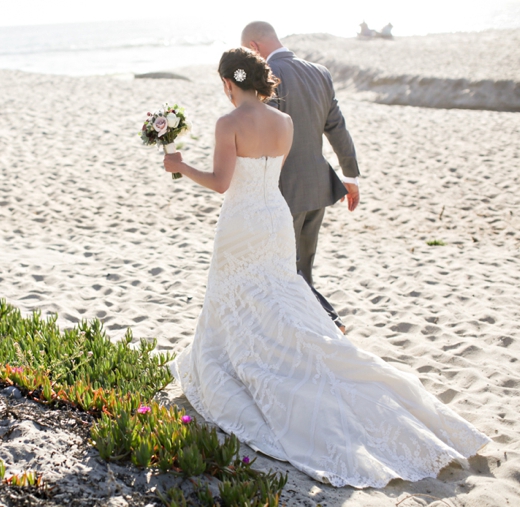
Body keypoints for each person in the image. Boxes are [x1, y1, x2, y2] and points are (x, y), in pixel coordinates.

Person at [163, 47, 490, 488]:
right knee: (282, 292)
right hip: (274, 218)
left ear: (228, 83)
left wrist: (181, 167)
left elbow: (222, 183)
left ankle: (238, 361)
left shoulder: (228, 124)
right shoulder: (285, 122)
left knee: (235, 293)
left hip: (241, 222)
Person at [242, 21, 358, 333]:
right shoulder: (320, 72)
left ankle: (329, 322)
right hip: (318, 184)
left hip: (283, 188)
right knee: (303, 266)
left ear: (253, 47)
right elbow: (337, 126)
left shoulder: (266, 78)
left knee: (283, 268)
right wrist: (351, 176)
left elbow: (263, 133)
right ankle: (316, 328)